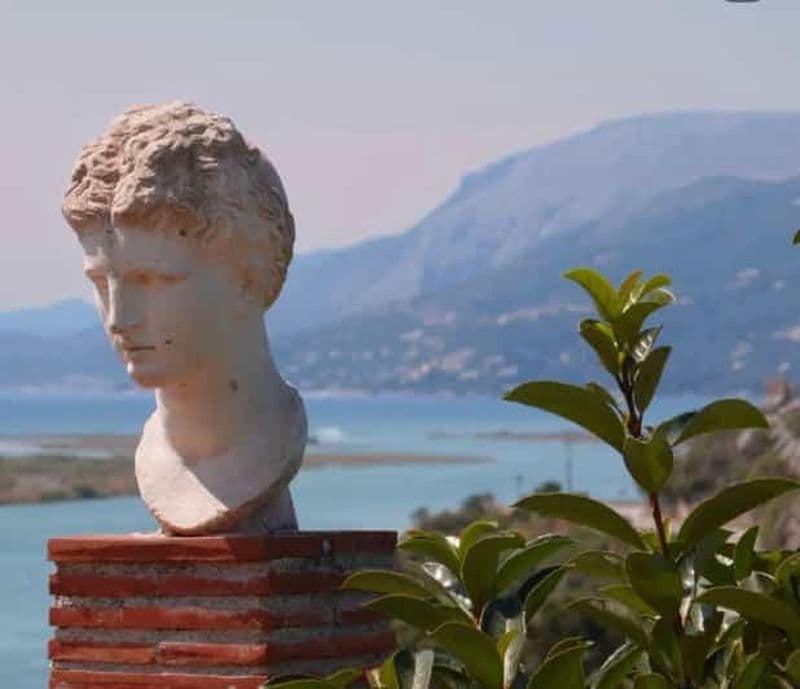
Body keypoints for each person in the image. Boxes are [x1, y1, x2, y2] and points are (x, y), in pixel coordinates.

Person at [62, 102, 307, 534]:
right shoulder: (153, 458)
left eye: (156, 280)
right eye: (102, 284)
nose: (120, 318)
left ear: (248, 276)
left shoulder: (272, 447)